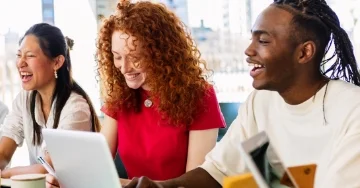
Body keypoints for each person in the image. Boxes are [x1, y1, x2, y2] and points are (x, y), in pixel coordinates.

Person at [120, 0, 360, 188]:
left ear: (304, 52)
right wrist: (163, 187)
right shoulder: (261, 102)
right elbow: (219, 171)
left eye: (263, 41)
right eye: (251, 38)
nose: (248, 50)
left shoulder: (353, 111)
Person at [0, 23, 101, 178]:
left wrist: (3, 175)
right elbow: (4, 151)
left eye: (30, 56)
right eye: (19, 55)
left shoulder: (76, 109)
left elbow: (48, 168)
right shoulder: (24, 100)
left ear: (57, 62)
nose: (20, 63)